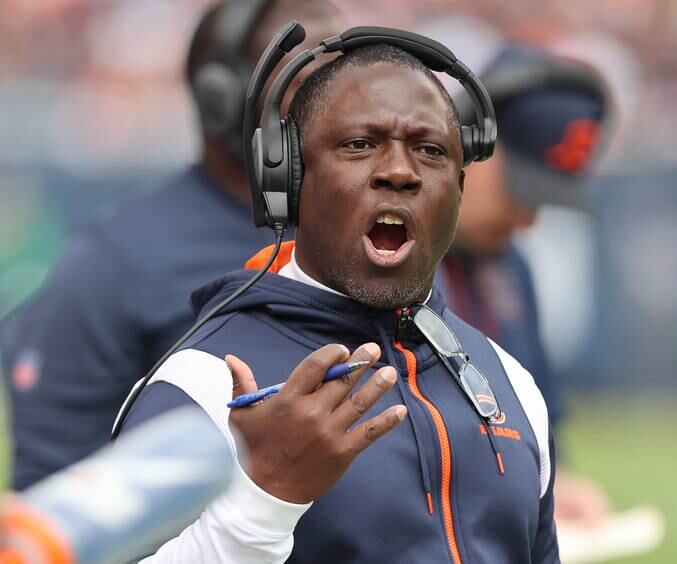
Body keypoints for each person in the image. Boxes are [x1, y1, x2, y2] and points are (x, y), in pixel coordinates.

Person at [117, 40, 559, 562]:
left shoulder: (512, 384)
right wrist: (262, 503)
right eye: (358, 144)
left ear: (458, 188)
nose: (400, 171)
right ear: (289, 180)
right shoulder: (203, 384)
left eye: (430, 149)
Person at [0, 0, 340, 489]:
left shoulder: (360, 241)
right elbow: (52, 496)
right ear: (223, 98)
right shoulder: (113, 264)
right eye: (305, 76)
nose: (340, 98)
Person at [439, 43, 614, 525]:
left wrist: (561, 485)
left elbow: (541, 423)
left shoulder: (512, 267)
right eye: (521, 190)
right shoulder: (375, 263)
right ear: (467, 140)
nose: (527, 221)